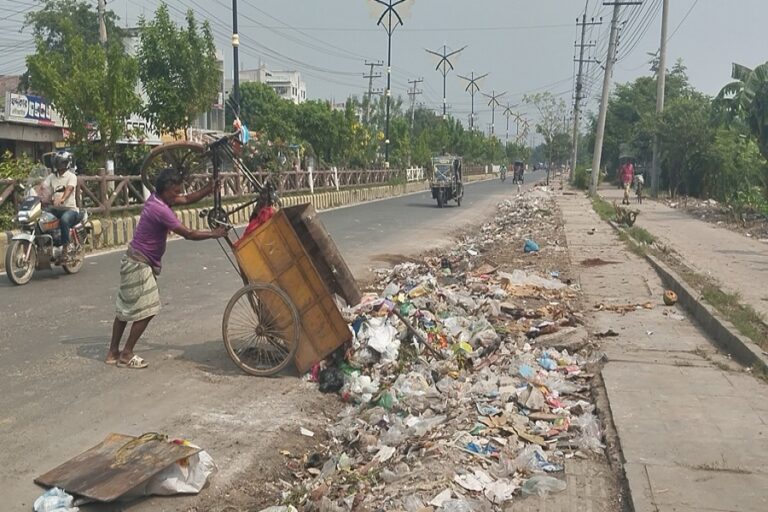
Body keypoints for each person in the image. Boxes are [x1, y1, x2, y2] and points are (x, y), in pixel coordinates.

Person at [106, 169, 227, 369]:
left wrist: (209, 189)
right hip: (139, 263)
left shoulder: (157, 199)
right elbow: (188, 233)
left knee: (125, 309)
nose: (178, 195)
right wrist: (214, 233)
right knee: (148, 309)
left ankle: (113, 352)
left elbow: (187, 199)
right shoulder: (160, 210)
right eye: (175, 191)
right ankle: (126, 353)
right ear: (166, 190)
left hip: (134, 260)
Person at [42, 151, 79, 260]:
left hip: (70, 209)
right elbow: (43, 187)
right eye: (57, 162)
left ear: (67, 163)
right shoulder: (51, 177)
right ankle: (45, 246)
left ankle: (65, 250)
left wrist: (62, 199)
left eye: (61, 162)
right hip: (54, 208)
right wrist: (36, 195)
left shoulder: (72, 176)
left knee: (64, 220)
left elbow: (69, 189)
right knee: (41, 218)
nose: (59, 165)